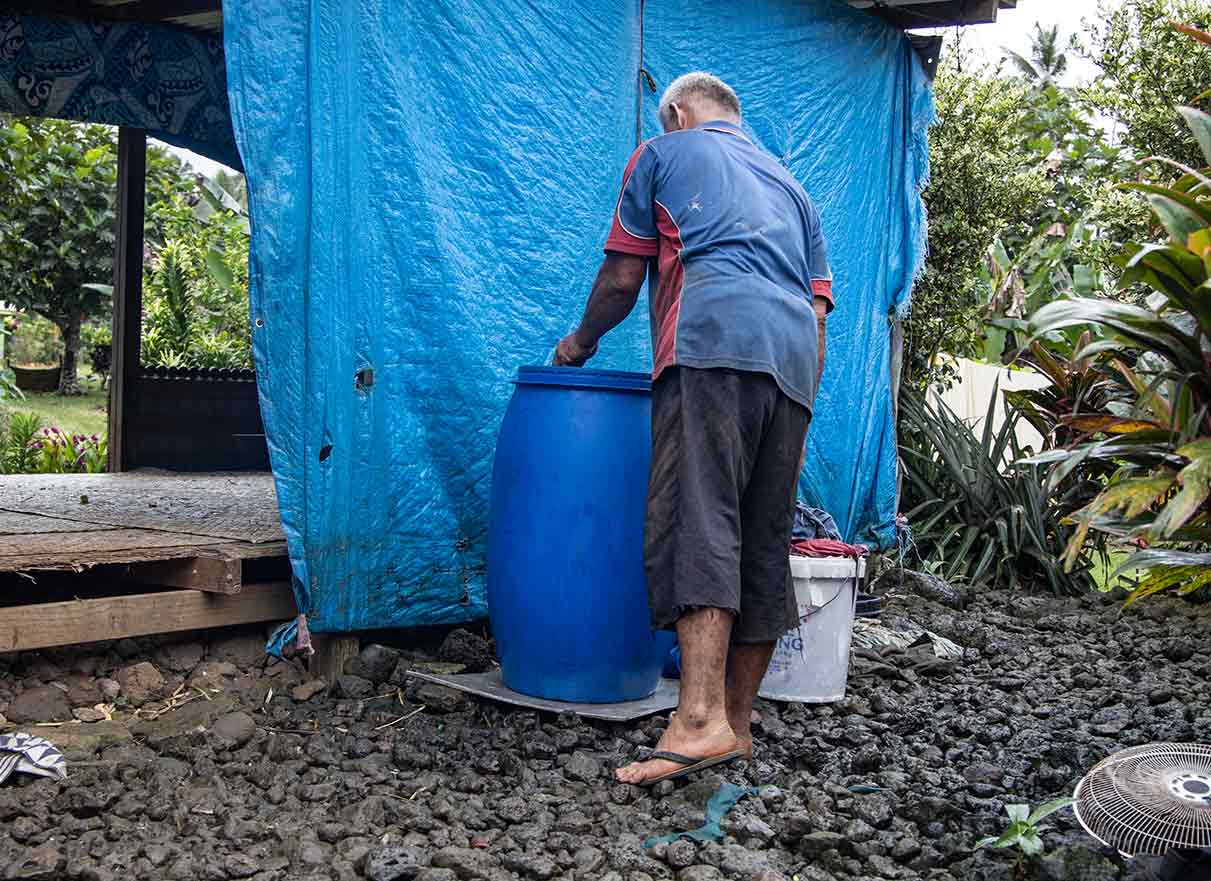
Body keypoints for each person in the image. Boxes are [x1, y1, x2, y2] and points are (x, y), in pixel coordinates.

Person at [554, 72, 833, 786]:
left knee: (697, 515)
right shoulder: (793, 189)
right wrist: (797, 400)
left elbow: (621, 279)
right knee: (761, 531)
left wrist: (577, 344)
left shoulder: (661, 152)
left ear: (677, 112)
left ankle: (697, 719)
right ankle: (735, 723)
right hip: (794, 364)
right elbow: (818, 310)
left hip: (712, 343)